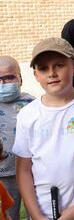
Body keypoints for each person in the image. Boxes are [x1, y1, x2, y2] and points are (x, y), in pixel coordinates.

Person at [12, 37, 74, 219]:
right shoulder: (28, 114)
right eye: (43, 68)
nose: (52, 73)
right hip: (43, 211)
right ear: (35, 75)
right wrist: (36, 214)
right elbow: (23, 170)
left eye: (59, 65)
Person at [0, 56, 34, 220]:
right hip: (3, 174)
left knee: (34, 212)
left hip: (31, 171)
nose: (4, 83)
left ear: (20, 78)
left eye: (9, 77)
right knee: (8, 214)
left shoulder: (33, 103)